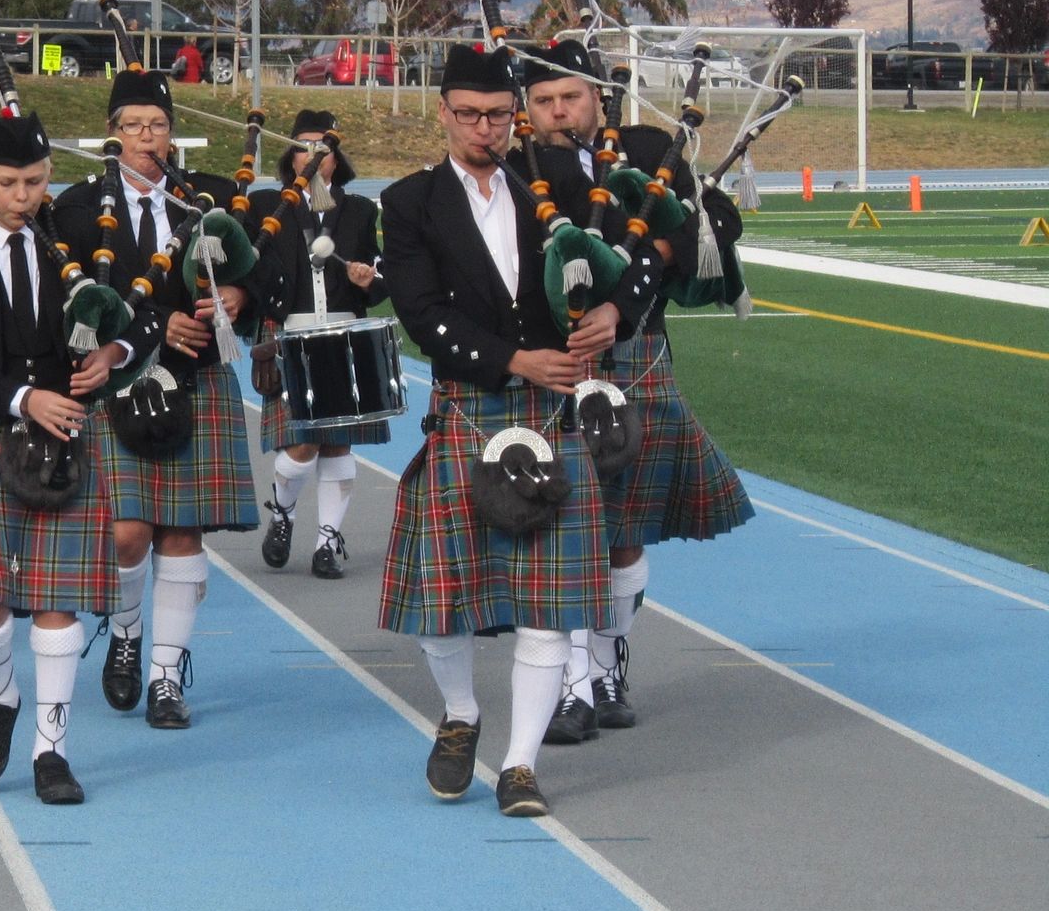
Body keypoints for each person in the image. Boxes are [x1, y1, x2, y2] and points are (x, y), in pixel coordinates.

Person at [378, 43, 664, 819]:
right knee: (447, 600)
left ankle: (521, 765)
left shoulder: (562, 184)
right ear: (442, 113)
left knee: (548, 602)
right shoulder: (408, 204)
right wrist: (515, 361)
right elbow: (422, 314)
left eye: (499, 115)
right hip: (476, 405)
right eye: (469, 115)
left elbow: (642, 252)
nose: (485, 130)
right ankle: (462, 713)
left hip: (552, 416)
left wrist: (616, 310)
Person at [521, 40, 751, 742]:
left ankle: (609, 665)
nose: (560, 112)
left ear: (598, 96)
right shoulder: (516, 166)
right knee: (561, 527)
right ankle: (572, 686)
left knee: (622, 534)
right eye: (545, 101)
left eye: (571, 97)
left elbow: (713, 230)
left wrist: (636, 277)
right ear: (527, 108)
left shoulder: (652, 149)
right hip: (555, 364)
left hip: (638, 355)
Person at [0, 107, 148, 804]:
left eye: (33, 181)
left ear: (49, 176)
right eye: (7, 182)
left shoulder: (78, 244)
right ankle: (1, 693)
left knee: (58, 605)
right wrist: (24, 398)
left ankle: (52, 751)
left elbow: (137, 317)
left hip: (69, 447)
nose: (22, 196)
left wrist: (114, 354)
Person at [50, 68, 253, 731]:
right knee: (127, 532)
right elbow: (75, 306)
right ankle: (128, 631)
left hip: (197, 375)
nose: (147, 137)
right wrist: (153, 326)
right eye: (133, 125)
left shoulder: (209, 201)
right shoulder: (79, 209)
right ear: (112, 133)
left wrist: (238, 296)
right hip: (122, 383)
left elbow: (265, 269)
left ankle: (166, 675)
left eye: (158, 125)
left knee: (182, 531)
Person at [251, 112, 386, 582]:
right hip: (292, 333)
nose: (314, 156)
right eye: (305, 146)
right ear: (291, 156)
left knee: (337, 446)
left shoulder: (361, 212)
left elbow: (381, 279)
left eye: (324, 148)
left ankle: (327, 544)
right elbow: (254, 268)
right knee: (302, 442)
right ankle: (283, 514)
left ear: (336, 158)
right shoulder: (271, 206)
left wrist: (368, 280)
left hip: (345, 332)